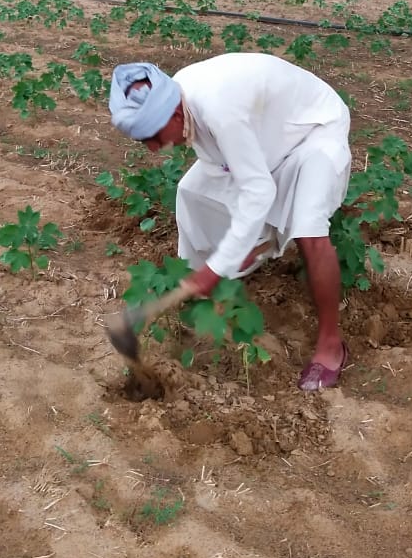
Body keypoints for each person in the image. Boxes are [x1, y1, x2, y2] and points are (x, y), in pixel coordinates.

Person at [108, 52, 352, 391]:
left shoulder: (219, 109)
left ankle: (330, 345)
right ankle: (205, 292)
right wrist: (236, 251)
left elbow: (258, 190)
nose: (152, 148)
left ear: (176, 112)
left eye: (153, 135)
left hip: (311, 128)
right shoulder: (180, 101)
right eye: (143, 140)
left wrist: (217, 266)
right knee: (191, 193)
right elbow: (232, 173)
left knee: (308, 229)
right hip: (265, 137)